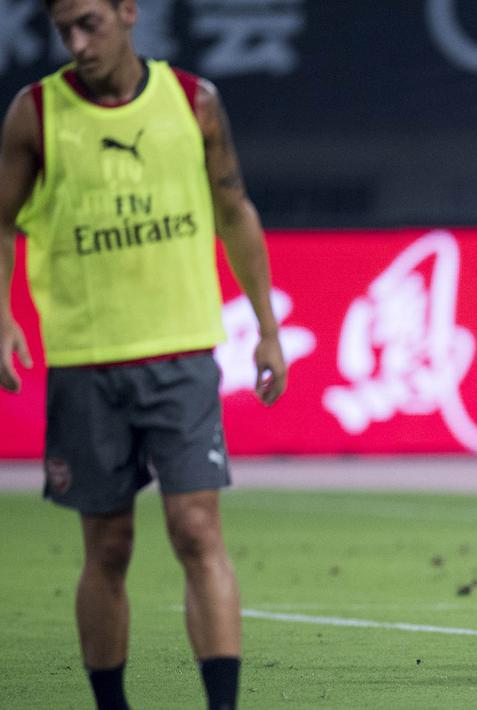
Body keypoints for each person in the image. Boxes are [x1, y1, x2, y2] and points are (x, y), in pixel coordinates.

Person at [0, 1, 287, 708]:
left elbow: (235, 209)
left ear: (130, 13)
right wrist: (2, 314)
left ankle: (222, 704)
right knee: (109, 545)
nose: (76, 41)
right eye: (63, 28)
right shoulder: (35, 112)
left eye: (90, 22)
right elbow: (2, 221)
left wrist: (266, 324)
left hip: (181, 352)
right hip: (85, 359)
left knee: (196, 530)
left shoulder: (193, 102)